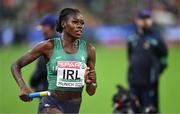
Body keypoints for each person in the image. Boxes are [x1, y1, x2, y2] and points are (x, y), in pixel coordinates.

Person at [11, 8, 97, 114]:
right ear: (63, 23)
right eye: (75, 22)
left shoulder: (89, 50)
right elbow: (16, 65)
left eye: (82, 23)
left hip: (74, 107)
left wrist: (90, 83)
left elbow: (91, 91)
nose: (80, 26)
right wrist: (23, 87)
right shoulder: (48, 46)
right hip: (51, 104)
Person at [127, 9, 168, 113]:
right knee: (133, 109)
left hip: (149, 83)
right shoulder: (132, 38)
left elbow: (164, 58)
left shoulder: (157, 38)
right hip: (134, 83)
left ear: (151, 20)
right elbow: (130, 58)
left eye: (147, 18)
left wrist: (156, 72)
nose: (145, 21)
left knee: (150, 110)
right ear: (137, 20)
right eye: (142, 18)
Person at [30, 14, 60, 92]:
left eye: (43, 26)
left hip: (48, 87)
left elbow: (42, 67)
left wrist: (33, 82)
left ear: (48, 27)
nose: (41, 29)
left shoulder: (47, 44)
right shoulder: (62, 41)